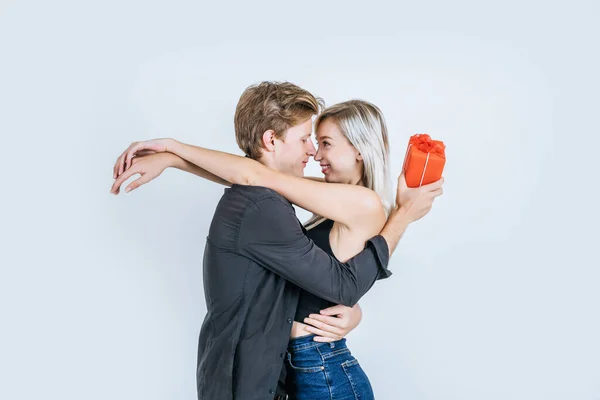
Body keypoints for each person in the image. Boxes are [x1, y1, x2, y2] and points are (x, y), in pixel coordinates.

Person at [111, 82, 444, 399]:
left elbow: (256, 176)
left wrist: (173, 148)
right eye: (310, 140)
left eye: (325, 142)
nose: (314, 153)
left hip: (324, 369)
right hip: (305, 365)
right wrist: (173, 159)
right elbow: (251, 176)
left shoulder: (363, 202)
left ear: (358, 149)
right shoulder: (332, 197)